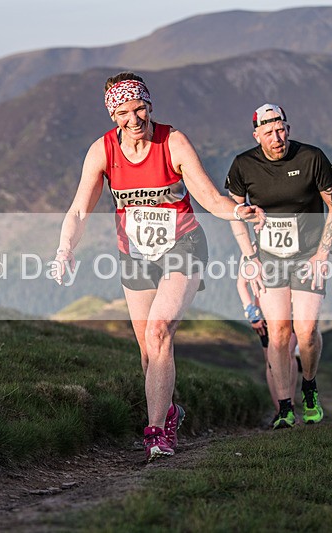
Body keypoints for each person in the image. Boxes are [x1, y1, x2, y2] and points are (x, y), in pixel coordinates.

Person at [53, 72, 265, 461]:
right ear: (112, 114)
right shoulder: (102, 151)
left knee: (160, 330)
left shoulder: (173, 141)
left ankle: (156, 434)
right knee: (149, 353)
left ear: (150, 105)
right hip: (134, 254)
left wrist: (238, 211)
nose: (134, 120)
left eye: (140, 109)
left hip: (183, 246)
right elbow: (80, 209)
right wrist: (65, 248)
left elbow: (208, 197)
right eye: (123, 112)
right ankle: (170, 411)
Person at [226, 103, 332, 429]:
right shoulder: (243, 166)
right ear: (257, 135)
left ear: (288, 129)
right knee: (278, 334)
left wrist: (323, 254)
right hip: (269, 259)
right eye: (268, 133)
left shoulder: (311, 157)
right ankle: (284, 407)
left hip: (308, 256)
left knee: (305, 332)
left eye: (281, 131)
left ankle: (309, 386)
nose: (276, 138)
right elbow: (236, 215)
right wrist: (250, 257)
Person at [236, 245, 301, 421]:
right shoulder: (251, 249)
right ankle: (280, 408)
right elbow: (242, 284)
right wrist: (252, 313)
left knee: (288, 353)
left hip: (292, 311)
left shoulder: (290, 240)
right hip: (264, 315)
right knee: (271, 362)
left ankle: (289, 404)